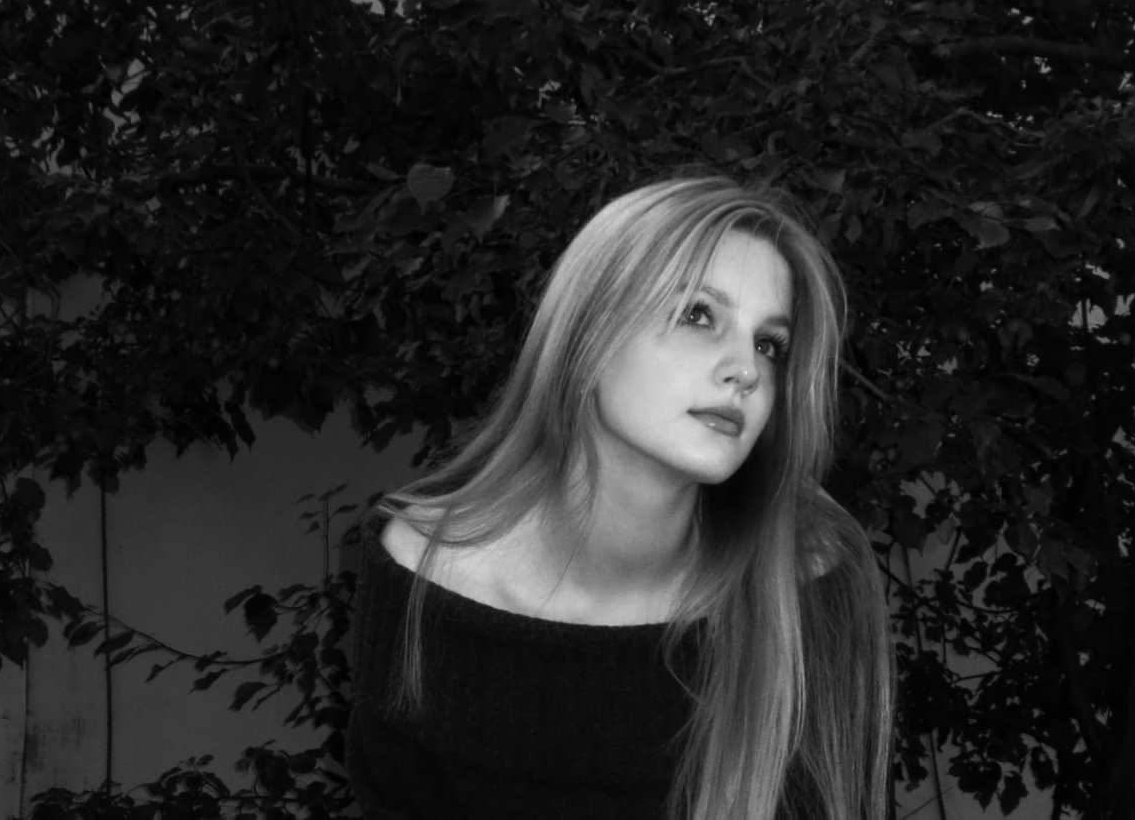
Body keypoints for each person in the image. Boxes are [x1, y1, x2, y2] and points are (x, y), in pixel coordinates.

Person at [346, 174, 894, 820]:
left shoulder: (811, 578)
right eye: (698, 315)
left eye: (769, 344)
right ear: (588, 332)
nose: (746, 370)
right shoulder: (422, 576)